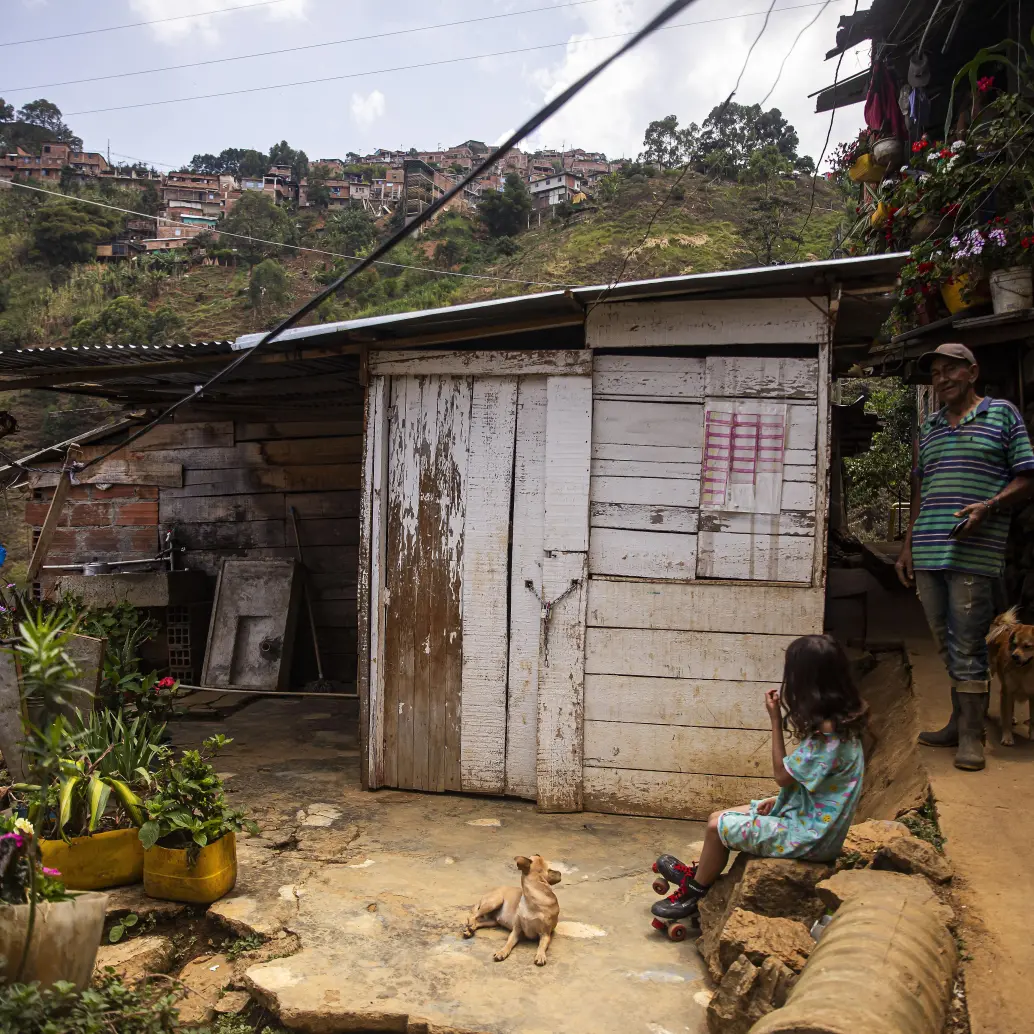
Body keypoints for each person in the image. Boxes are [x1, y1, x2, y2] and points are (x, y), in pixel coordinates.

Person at [652, 635, 867, 923]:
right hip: (810, 819)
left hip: (809, 837)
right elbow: (823, 787)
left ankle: (694, 892)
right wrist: (779, 800)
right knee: (718, 815)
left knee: (718, 827)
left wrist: (775, 721)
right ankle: (701, 873)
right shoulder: (844, 723)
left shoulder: (827, 739)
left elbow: (782, 775)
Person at [895, 343, 1034, 771]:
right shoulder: (930, 427)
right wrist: (907, 545)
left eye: (950, 371)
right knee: (945, 641)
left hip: (975, 550)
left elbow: (1027, 476)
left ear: (972, 372)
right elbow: (921, 489)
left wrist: (988, 507)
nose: (941, 379)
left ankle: (972, 736)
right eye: (935, 373)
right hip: (930, 551)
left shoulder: (1002, 414)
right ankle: (959, 721)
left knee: (969, 642)